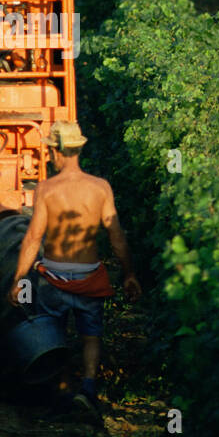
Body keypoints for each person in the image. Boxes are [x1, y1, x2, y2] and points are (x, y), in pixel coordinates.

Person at [10, 121, 141, 416]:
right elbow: (116, 235)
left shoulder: (46, 189)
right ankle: (89, 390)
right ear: (78, 150)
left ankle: (60, 390)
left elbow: (33, 237)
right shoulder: (101, 188)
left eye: (51, 151)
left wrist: (19, 278)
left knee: (53, 332)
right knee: (91, 336)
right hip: (89, 276)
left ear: (57, 152)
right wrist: (129, 273)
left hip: (54, 278)